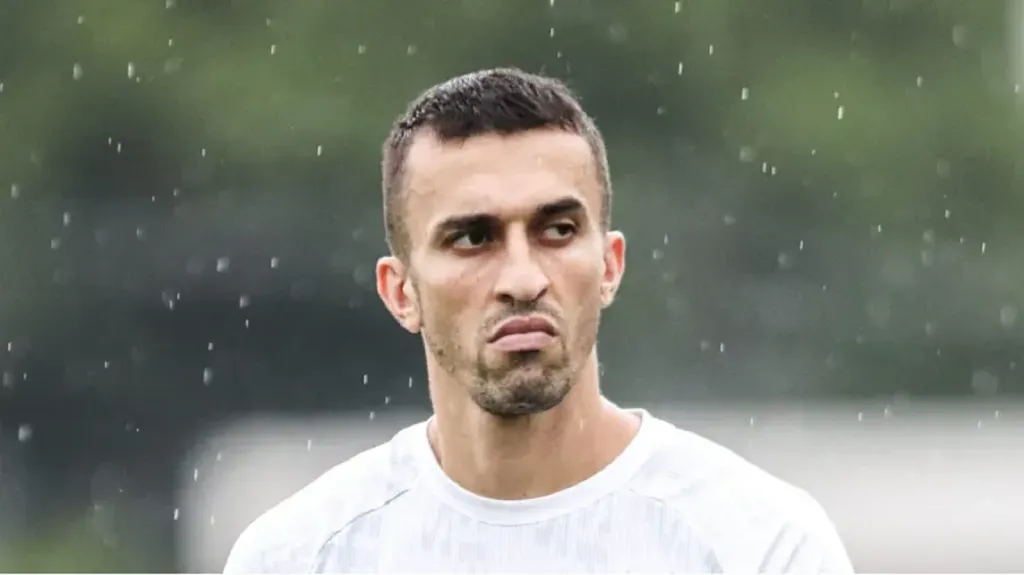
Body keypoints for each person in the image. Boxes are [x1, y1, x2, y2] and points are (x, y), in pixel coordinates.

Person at [223, 67, 854, 574]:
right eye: (472, 238)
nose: (523, 279)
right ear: (401, 292)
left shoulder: (762, 546)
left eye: (558, 229)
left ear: (609, 266)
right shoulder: (297, 556)